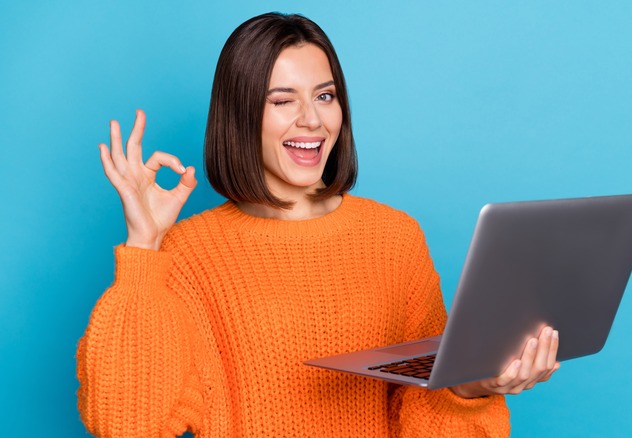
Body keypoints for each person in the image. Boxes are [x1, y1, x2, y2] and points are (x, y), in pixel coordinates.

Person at [77, 12, 560, 438]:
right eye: (282, 100)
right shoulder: (187, 253)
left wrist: (472, 387)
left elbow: (423, 415)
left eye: (324, 95)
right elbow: (125, 424)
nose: (311, 120)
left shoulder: (395, 239)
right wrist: (144, 247)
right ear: (241, 115)